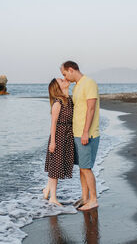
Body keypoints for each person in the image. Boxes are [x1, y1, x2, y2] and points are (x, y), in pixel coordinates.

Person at [60, 61, 100, 211]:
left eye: (64, 74)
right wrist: (65, 89)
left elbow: (91, 108)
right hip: (77, 133)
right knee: (82, 168)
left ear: (71, 70)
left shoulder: (89, 83)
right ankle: (85, 197)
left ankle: (93, 200)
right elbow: (72, 107)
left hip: (87, 133)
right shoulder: (77, 86)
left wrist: (85, 132)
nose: (64, 77)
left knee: (86, 168)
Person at [43, 78, 75, 206]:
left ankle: (47, 190)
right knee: (55, 167)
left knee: (56, 165)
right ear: (57, 87)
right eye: (61, 80)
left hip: (67, 136)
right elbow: (53, 124)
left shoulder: (68, 100)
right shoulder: (57, 103)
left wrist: (67, 87)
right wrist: (53, 142)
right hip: (58, 136)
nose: (64, 79)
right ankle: (53, 198)